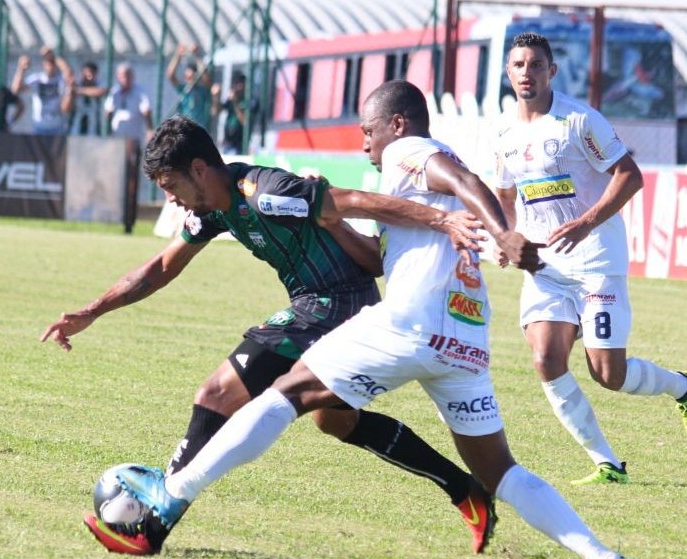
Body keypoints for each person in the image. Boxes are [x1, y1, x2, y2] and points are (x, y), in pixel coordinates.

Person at [71, 83, 630, 559]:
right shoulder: (220, 209)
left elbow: (445, 182)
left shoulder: (404, 149)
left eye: (369, 131)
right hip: (464, 340)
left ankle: (167, 502)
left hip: (400, 319)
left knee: (281, 392)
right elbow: (378, 250)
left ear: (395, 123)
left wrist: (490, 227)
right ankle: (600, 553)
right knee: (500, 472)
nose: (364, 142)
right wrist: (94, 309)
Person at [45, 114, 500, 555]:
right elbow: (160, 268)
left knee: (216, 392)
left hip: (335, 304)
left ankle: (155, 522)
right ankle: (465, 490)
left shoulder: (265, 192)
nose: (171, 200)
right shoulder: (216, 210)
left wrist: (442, 220)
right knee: (335, 420)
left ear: (199, 170)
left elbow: (353, 199)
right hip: (324, 306)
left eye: (171, 187)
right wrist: (92, 311)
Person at [493, 32, 687, 486]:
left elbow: (629, 176)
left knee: (608, 373)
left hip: (595, 260)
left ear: (552, 71)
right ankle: (607, 463)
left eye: (535, 65)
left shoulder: (579, 121)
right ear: (509, 73)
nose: (526, 73)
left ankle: (683, 386)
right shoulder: (505, 134)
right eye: (518, 65)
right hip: (546, 268)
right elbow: (505, 195)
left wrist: (586, 222)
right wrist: (505, 237)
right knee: (546, 360)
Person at [12, 47, 74, 135]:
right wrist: (21, 69)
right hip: (39, 127)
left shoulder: (61, 79)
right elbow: (16, 90)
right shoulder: (37, 79)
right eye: (47, 64)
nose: (50, 67)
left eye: (52, 64)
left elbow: (70, 76)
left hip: (58, 128)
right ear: (43, 64)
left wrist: (54, 56)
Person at [165, 44, 213, 130]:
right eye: (186, 77)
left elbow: (206, 78)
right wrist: (178, 55)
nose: (188, 79)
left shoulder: (202, 90)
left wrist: (196, 55)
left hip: (199, 129)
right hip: (185, 127)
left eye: (190, 77)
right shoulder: (184, 89)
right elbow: (170, 75)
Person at [104, 62, 153, 143]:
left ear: (132, 76)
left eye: (128, 76)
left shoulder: (140, 92)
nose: (125, 79)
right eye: (122, 76)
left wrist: (150, 130)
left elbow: (146, 111)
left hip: (134, 137)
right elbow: (108, 110)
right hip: (117, 136)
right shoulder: (115, 91)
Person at [213, 71, 255, 155]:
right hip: (227, 143)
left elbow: (245, 122)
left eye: (240, 84)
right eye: (235, 84)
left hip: (240, 145)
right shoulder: (230, 100)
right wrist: (215, 96)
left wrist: (235, 103)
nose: (237, 87)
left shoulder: (250, 101)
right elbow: (216, 111)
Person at [72, 61, 107, 135]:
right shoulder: (77, 84)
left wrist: (80, 91)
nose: (87, 77)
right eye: (84, 73)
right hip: (76, 130)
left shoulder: (99, 84)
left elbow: (101, 91)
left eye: (90, 74)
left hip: (94, 131)